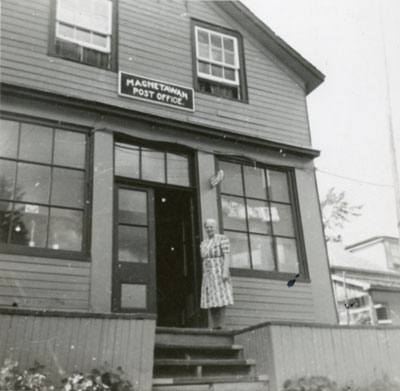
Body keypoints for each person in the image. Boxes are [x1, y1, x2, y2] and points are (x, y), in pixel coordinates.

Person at [200, 218, 234, 329]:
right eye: (207, 227)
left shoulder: (222, 239)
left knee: (221, 297)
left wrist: (225, 271)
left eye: (211, 226)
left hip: (219, 270)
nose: (209, 229)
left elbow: (226, 256)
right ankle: (215, 326)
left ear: (215, 227)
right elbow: (204, 258)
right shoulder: (204, 243)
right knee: (212, 298)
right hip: (208, 273)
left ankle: (221, 326)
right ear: (205, 228)